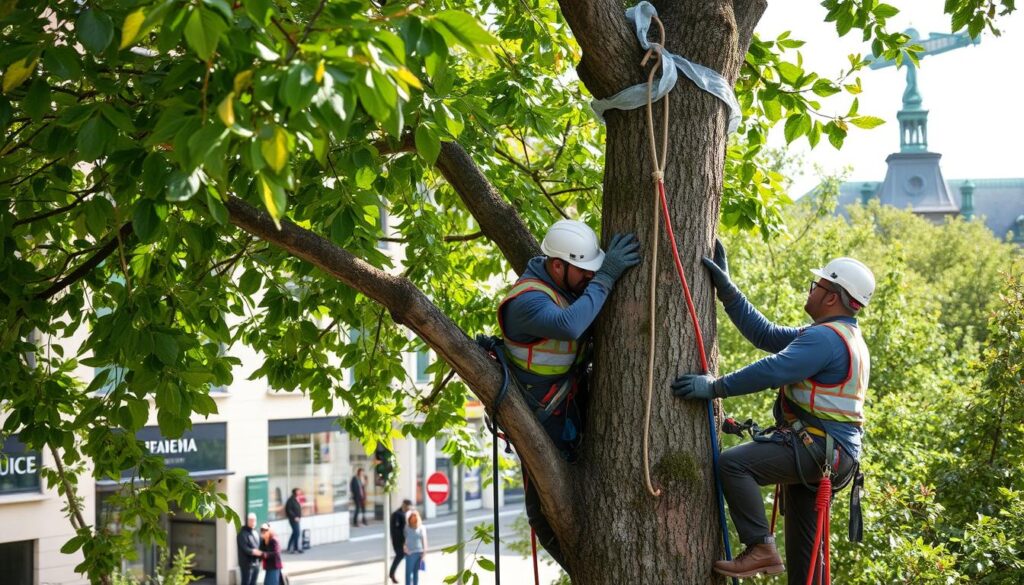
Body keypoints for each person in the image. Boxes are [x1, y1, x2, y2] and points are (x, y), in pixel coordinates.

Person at [671, 243, 875, 583]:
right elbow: (765, 334)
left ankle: (760, 547)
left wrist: (715, 387)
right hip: (826, 454)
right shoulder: (840, 335)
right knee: (807, 557)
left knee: (733, 464)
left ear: (832, 297)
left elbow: (773, 369)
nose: (811, 291)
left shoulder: (825, 339)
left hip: (819, 451)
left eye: (818, 286)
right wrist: (728, 290)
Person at [498, 219, 641, 566]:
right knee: (543, 518)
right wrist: (607, 276)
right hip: (542, 417)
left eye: (593, 271)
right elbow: (569, 325)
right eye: (584, 270)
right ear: (557, 265)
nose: (590, 276)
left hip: (568, 407)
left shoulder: (565, 288)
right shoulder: (527, 302)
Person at [389, 499, 412, 583]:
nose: (408, 509)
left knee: (407, 556)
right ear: (403, 505)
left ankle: (409, 574)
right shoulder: (397, 514)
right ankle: (392, 574)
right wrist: (403, 542)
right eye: (407, 507)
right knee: (400, 555)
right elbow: (396, 530)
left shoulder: (406, 513)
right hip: (399, 540)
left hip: (405, 540)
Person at [236, 513, 263, 585]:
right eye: (251, 520)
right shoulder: (242, 533)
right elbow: (245, 548)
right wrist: (253, 551)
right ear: (247, 521)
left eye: (254, 520)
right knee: (246, 582)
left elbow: (260, 545)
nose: (253, 522)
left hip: (256, 562)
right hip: (246, 564)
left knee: (253, 582)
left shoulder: (255, 532)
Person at [403, 510, 427, 585]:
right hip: (410, 553)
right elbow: (402, 540)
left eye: (415, 517)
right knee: (408, 573)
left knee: (416, 573)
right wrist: (405, 549)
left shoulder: (422, 528)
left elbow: (424, 541)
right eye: (411, 517)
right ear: (409, 519)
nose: (413, 519)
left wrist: (424, 553)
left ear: (417, 518)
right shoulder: (406, 528)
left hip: (419, 553)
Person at [284, 488, 303, 554]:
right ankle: (295, 548)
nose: (299, 492)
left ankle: (290, 547)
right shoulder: (291, 500)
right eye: (298, 491)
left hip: (297, 519)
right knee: (297, 533)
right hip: (293, 519)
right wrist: (294, 517)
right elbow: (288, 510)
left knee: (295, 533)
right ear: (295, 492)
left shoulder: (296, 499)